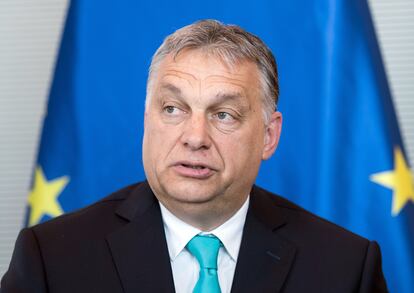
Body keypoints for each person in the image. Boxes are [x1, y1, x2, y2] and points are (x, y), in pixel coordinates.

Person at [1, 19, 388, 293]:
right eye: (173, 109)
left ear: (269, 136)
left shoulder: (346, 267)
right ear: (146, 120)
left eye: (223, 115)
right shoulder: (51, 259)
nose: (194, 137)